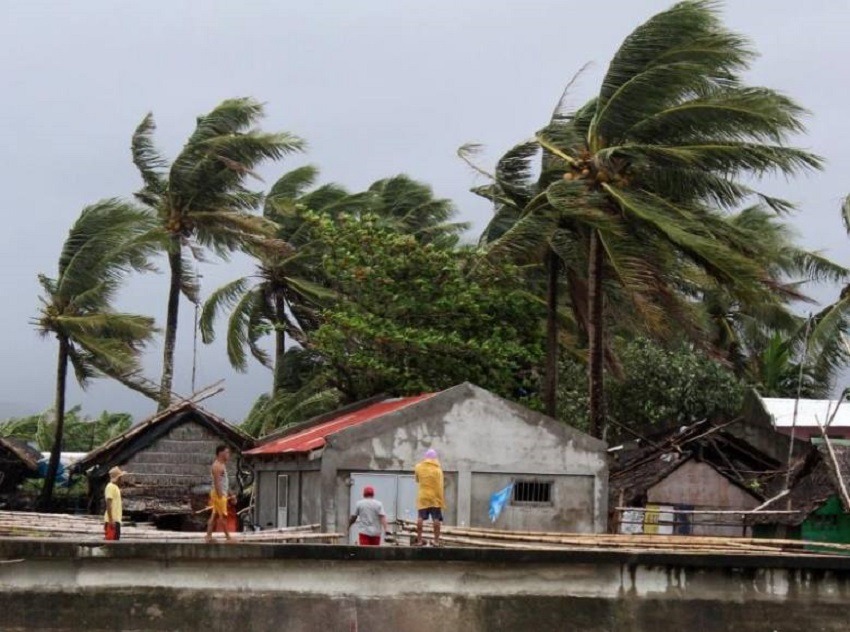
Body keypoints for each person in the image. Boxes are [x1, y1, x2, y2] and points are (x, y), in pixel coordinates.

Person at [414, 448, 445, 546]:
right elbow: (440, 484)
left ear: (425, 457)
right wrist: (441, 500)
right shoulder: (438, 469)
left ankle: (419, 540)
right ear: (435, 458)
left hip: (423, 496)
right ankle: (436, 541)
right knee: (436, 518)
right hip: (435, 497)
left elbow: (417, 480)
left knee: (420, 518)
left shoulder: (418, 467)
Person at [205, 444, 233, 543]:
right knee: (223, 516)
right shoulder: (217, 466)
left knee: (214, 515)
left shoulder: (222, 465)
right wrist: (220, 495)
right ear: (221, 453)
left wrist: (230, 494)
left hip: (220, 493)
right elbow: (217, 482)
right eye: (227, 452)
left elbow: (224, 481)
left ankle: (208, 536)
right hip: (218, 494)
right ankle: (228, 537)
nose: (228, 455)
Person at [104, 466, 126, 541]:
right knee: (111, 543)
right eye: (120, 477)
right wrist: (111, 520)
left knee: (115, 541)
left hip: (116, 520)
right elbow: (108, 503)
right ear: (118, 478)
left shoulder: (115, 487)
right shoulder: (110, 487)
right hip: (112, 520)